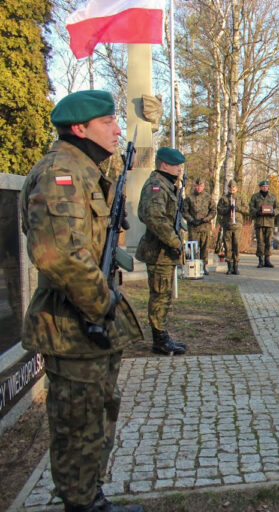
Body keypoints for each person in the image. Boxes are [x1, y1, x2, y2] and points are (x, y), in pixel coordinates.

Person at [20, 90, 145, 512]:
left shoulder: (85, 170)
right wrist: (102, 303)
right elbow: (57, 254)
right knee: (77, 426)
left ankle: (91, 498)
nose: (116, 129)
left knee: (96, 416)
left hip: (86, 325)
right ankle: (81, 503)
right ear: (80, 128)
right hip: (72, 326)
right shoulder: (62, 173)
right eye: (107, 121)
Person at [136, 147, 189, 356]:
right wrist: (175, 242)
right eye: (177, 165)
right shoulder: (156, 185)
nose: (179, 169)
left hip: (164, 252)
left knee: (164, 296)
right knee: (159, 296)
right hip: (159, 251)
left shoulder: (167, 185)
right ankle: (159, 340)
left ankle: (162, 335)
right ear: (164, 164)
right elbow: (154, 218)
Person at [182, 178, 216, 275]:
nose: (199, 188)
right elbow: (184, 211)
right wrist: (192, 220)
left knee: (205, 247)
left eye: (200, 186)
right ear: (194, 186)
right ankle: (194, 267)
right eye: (197, 186)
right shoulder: (189, 198)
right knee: (193, 248)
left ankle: (204, 266)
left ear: (203, 186)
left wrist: (206, 219)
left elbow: (213, 210)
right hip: (193, 227)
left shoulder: (208, 197)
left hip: (205, 226)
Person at [216, 180, 248, 274]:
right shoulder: (223, 198)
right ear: (228, 188)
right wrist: (227, 209)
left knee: (236, 245)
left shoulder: (240, 198)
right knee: (228, 245)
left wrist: (238, 209)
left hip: (237, 225)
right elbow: (219, 210)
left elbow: (247, 210)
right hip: (227, 225)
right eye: (230, 188)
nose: (232, 189)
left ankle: (236, 265)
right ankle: (229, 266)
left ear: (236, 188)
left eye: (233, 188)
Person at [250, 179, 279, 268]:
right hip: (259, 222)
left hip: (269, 222)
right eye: (263, 186)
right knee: (260, 242)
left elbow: (278, 208)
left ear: (268, 187)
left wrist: (274, 212)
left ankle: (267, 260)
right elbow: (251, 208)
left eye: (266, 186)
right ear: (260, 187)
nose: (265, 188)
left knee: (268, 242)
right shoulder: (255, 197)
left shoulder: (273, 197)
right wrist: (257, 212)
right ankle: (260, 260)